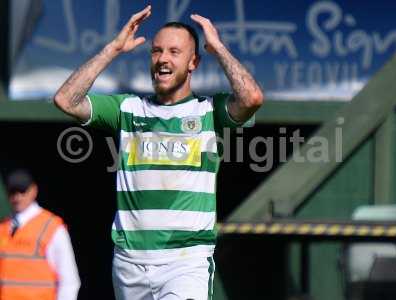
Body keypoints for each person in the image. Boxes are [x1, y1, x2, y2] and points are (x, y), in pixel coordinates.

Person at [54, 5, 263, 300]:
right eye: (156, 51)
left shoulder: (208, 111)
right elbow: (66, 99)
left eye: (174, 52)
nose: (162, 59)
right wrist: (113, 49)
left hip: (185, 261)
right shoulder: (127, 109)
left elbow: (252, 98)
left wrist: (219, 49)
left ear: (194, 62)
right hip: (129, 263)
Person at [0, 169, 81, 300]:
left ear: (33, 190)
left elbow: (69, 280)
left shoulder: (52, 227)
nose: (17, 197)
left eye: (22, 191)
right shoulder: (3, 227)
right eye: (12, 192)